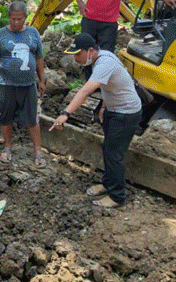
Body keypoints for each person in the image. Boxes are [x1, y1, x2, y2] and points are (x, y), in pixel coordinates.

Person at [49, 33, 141, 208]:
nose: (76, 59)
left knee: (114, 154)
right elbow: (112, 84)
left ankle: (117, 196)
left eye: (78, 54)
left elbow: (84, 91)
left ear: (90, 51)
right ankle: (108, 183)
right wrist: (105, 106)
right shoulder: (100, 59)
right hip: (114, 110)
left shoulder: (105, 62)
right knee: (109, 149)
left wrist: (65, 113)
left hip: (126, 113)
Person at [0, 1, 47, 168]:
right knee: (6, 117)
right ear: (8, 18)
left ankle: (38, 151)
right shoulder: (0, 34)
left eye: (20, 19)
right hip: (5, 84)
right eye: (13, 19)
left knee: (32, 118)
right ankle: (8, 147)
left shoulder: (33, 34)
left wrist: (42, 80)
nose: (16, 22)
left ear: (26, 17)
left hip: (28, 84)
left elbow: (39, 58)